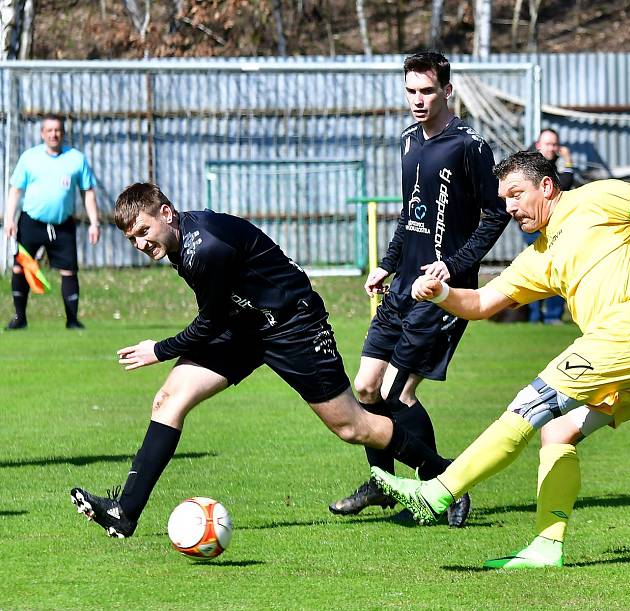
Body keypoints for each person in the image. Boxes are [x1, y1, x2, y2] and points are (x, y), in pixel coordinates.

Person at [371, 150, 630, 568]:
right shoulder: (539, 255)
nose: (509, 207)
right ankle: (548, 547)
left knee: (528, 406)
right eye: (504, 199)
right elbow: (480, 303)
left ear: (546, 187)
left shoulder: (599, 197)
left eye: (516, 194)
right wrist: (442, 294)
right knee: (557, 433)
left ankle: (439, 491)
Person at [69, 182, 454, 539]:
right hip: (244, 326)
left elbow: (210, 321)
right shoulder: (178, 244)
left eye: (143, 231)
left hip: (293, 326)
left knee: (352, 427)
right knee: (169, 399)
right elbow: (221, 314)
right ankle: (126, 510)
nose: (139, 243)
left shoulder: (205, 247)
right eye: (131, 238)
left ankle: (445, 479)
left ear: (166, 214)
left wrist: (160, 349)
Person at [327, 51, 510, 527]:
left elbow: (495, 215)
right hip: (403, 285)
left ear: (447, 91)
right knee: (365, 389)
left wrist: (453, 266)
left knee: (397, 393)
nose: (417, 100)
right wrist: (387, 264)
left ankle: (443, 484)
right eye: (410, 91)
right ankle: (386, 484)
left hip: (440, 293)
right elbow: (412, 214)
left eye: (426, 91)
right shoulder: (408, 141)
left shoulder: (469, 145)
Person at [3, 114, 101, 330]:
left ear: (62, 133)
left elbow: (88, 192)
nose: (53, 134)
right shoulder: (29, 158)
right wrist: (9, 219)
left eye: (57, 130)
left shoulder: (76, 158)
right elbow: (15, 190)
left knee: (69, 271)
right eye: (49, 130)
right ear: (42, 134)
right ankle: (20, 319)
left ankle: (72, 321)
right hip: (31, 222)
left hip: (63, 225)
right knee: (20, 268)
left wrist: (94, 222)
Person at [523, 128, 574, 325]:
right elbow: (562, 183)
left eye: (555, 145)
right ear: (538, 145)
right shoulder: (530, 166)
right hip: (534, 227)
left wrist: (567, 161)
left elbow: (566, 184)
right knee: (538, 270)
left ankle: (551, 316)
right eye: (548, 144)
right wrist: (568, 162)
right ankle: (537, 316)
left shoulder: (550, 165)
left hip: (553, 226)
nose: (552, 148)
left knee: (556, 269)